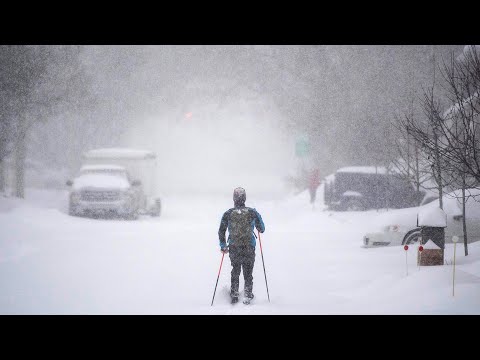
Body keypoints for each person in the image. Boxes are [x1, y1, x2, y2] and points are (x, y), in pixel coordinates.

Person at [218, 187, 265, 304]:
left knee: (235, 270)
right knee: (248, 272)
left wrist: (223, 246)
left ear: (234, 198)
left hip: (234, 247)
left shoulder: (228, 213)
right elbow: (262, 229)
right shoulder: (252, 212)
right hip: (249, 246)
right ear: (245, 198)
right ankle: (248, 294)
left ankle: (234, 294)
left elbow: (221, 231)